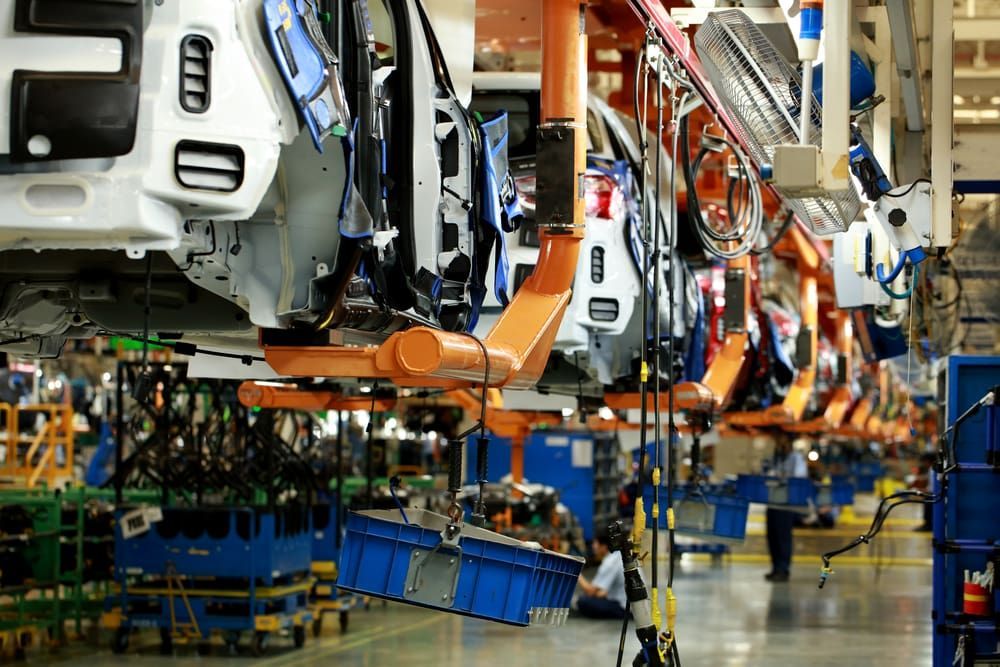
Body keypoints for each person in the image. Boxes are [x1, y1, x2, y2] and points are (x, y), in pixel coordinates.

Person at [765, 433, 808, 582]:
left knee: (783, 537)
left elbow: (799, 477)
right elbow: (768, 472)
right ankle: (775, 567)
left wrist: (782, 478)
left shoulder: (796, 458)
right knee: (772, 537)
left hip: (786, 504)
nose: (779, 444)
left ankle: (783, 569)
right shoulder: (776, 457)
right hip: (772, 502)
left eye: (781, 440)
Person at [576, 528, 627, 619]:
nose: (593, 546)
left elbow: (590, 591)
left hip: (624, 609)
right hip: (632, 605)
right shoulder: (619, 555)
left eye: (595, 543)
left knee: (583, 601)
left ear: (603, 546)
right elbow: (602, 591)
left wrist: (575, 572)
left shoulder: (610, 562)